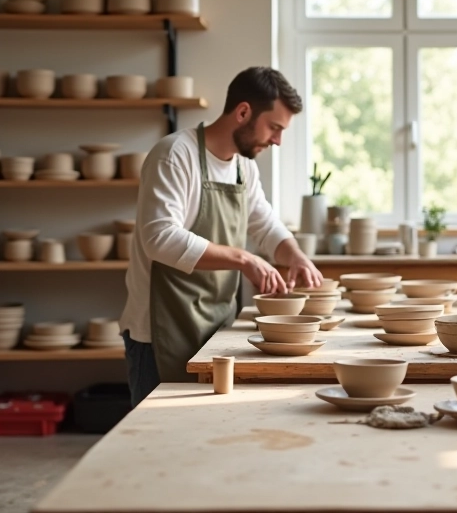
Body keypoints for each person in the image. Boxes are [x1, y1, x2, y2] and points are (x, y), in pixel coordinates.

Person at [119, 67, 322, 406]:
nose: (277, 140)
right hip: (159, 332)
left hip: (216, 326)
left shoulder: (244, 167)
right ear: (243, 112)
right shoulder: (174, 155)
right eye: (274, 127)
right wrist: (244, 258)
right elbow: (159, 237)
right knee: (160, 446)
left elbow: (266, 225)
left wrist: (295, 255)